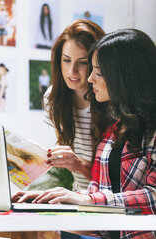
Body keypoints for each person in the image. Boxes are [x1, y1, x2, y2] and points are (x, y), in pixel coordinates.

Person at [13, 29, 156, 239]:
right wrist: (48, 199)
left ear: (124, 76)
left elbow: (152, 197)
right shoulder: (113, 132)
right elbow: (96, 192)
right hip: (108, 237)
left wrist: (87, 199)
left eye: (98, 71)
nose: (89, 78)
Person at [43, 19, 109, 192]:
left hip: (110, 200)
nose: (72, 71)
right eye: (66, 60)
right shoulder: (52, 98)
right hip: (79, 198)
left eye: (82, 62)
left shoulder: (112, 102)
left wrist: (78, 164)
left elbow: (116, 179)